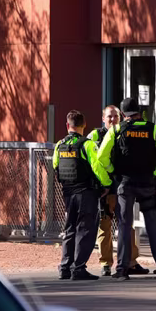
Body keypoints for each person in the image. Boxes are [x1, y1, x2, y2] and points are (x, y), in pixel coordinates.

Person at [96, 96, 156, 279]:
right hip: (147, 183)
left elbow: (101, 156)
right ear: (139, 113)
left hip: (125, 183)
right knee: (153, 225)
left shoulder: (116, 130)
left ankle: (122, 269)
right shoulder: (153, 129)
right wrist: (153, 165)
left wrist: (113, 171)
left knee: (124, 225)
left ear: (123, 114)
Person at [87, 105, 145, 276]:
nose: (112, 120)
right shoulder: (94, 136)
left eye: (115, 117)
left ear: (120, 118)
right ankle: (106, 264)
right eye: (109, 117)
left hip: (122, 187)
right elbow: (90, 162)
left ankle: (132, 262)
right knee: (104, 228)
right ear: (103, 118)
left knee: (127, 225)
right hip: (104, 191)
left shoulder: (124, 132)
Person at [51, 110, 109, 280]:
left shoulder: (59, 145)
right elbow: (97, 167)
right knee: (85, 229)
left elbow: (56, 166)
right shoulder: (88, 144)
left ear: (67, 125)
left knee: (70, 229)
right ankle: (79, 268)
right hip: (86, 193)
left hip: (68, 193)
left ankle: (65, 267)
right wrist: (107, 184)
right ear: (84, 125)